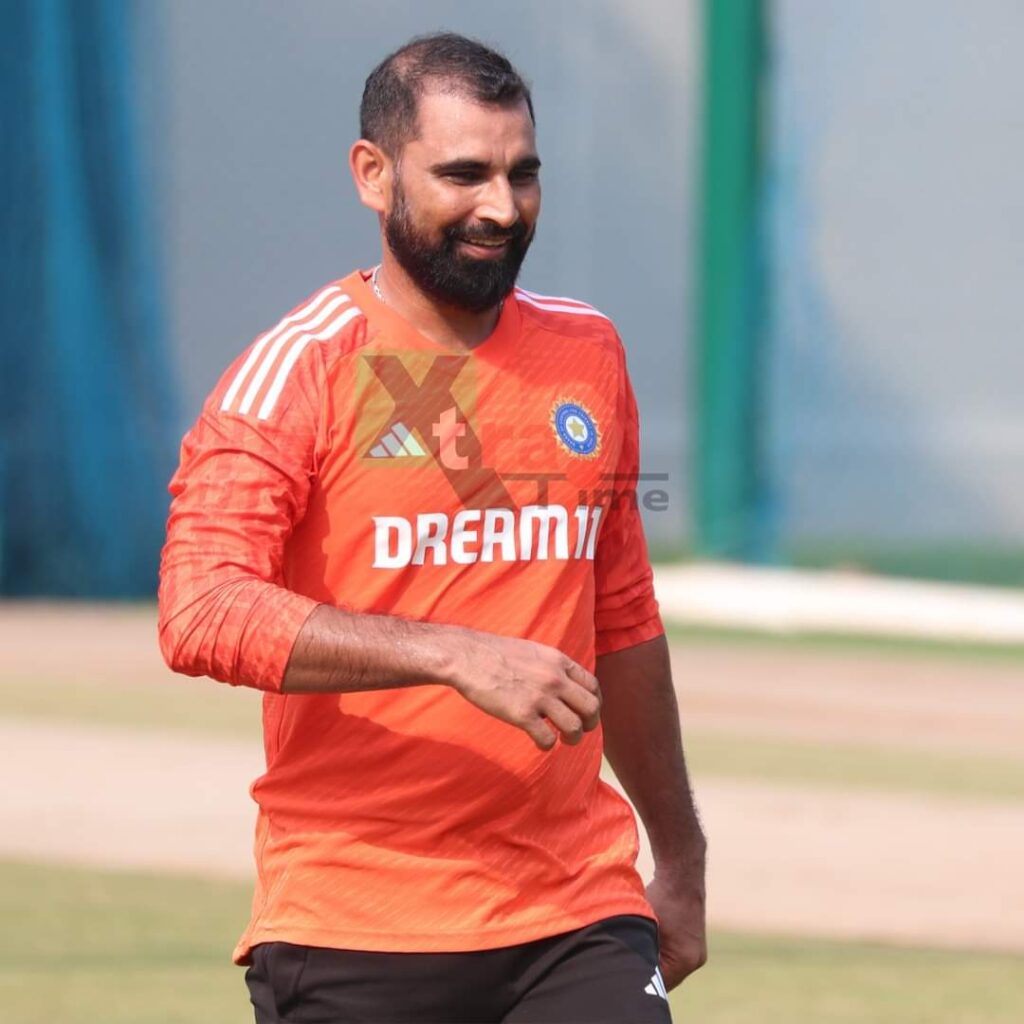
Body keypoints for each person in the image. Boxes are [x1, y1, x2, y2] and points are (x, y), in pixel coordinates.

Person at [158, 31, 706, 1024]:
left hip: (575, 910)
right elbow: (199, 609)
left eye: (521, 174)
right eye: (464, 175)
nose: (501, 207)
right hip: (354, 921)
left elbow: (621, 619)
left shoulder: (586, 349)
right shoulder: (300, 368)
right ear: (373, 175)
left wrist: (681, 858)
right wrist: (449, 652)